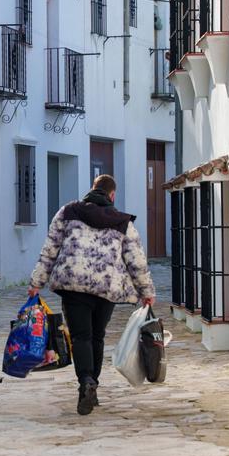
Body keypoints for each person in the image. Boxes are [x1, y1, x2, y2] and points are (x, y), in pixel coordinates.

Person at [29, 174, 154, 415]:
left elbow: (50, 250)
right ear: (112, 195)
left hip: (73, 285)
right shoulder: (123, 222)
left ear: (92, 189)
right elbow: (136, 261)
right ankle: (92, 383)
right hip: (106, 287)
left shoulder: (67, 212)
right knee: (97, 336)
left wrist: (37, 283)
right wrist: (146, 292)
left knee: (80, 337)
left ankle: (86, 381)